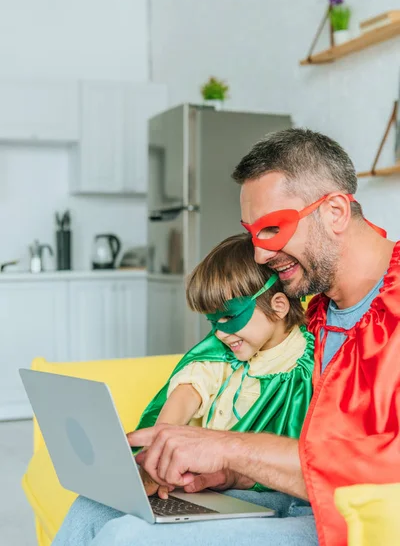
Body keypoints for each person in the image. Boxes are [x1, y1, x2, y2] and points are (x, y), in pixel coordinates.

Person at [53, 128, 398, 546]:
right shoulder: (319, 307)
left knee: (129, 537)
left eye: (272, 229)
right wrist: (230, 473)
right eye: (251, 234)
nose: (260, 255)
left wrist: (233, 448)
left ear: (337, 211)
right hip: (304, 500)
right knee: (94, 508)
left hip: (364, 525)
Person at [136, 233, 314, 498]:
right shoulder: (224, 350)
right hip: (197, 485)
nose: (220, 333)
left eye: (230, 317)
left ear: (279, 307)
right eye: (213, 321)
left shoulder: (308, 361)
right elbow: (189, 390)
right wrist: (160, 448)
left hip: (262, 492)